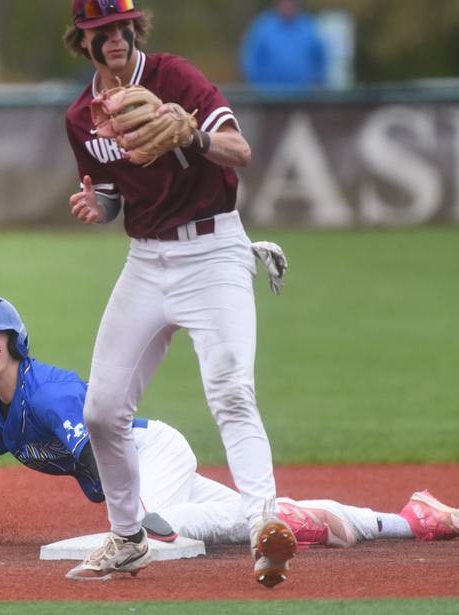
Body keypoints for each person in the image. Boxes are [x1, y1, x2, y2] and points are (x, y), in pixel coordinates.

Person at [0, 296, 459, 560]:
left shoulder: (47, 395)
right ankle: (418, 519)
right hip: (143, 464)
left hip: (148, 452)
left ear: (14, 342)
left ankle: (178, 522)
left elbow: (100, 456)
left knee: (167, 539)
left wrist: (137, 520)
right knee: (260, 516)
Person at [61, 0, 295, 587]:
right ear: (82, 42)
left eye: (122, 27)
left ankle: (265, 528)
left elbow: (239, 151)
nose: (115, 39)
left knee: (230, 388)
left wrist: (191, 130)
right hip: (146, 260)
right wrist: (100, 205)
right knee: (102, 409)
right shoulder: (81, 118)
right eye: (101, 32)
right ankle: (127, 537)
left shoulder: (174, 78)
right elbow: (116, 195)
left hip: (214, 251)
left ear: (135, 28)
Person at [239, 0, 328, 90]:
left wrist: (317, 81)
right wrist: (258, 86)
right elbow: (250, 60)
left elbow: (320, 58)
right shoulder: (263, 27)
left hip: (304, 96)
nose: (287, 5)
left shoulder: (309, 26)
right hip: (268, 96)